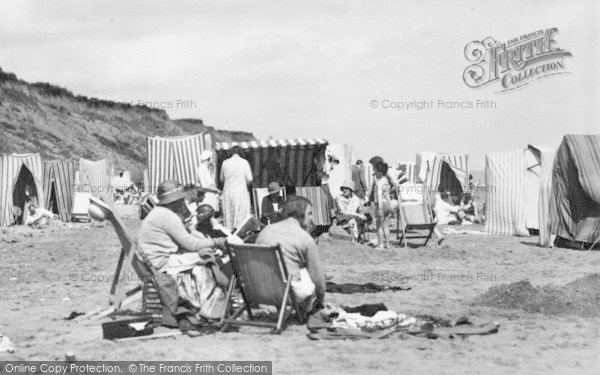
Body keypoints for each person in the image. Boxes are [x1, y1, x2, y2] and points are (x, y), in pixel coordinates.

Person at [137, 180, 243, 322]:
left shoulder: (159, 213)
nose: (183, 201)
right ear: (175, 200)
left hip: (154, 262)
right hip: (163, 264)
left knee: (205, 254)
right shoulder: (167, 216)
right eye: (180, 199)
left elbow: (187, 236)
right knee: (208, 258)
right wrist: (217, 242)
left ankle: (218, 300)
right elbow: (191, 244)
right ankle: (215, 305)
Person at [255, 196, 326, 316]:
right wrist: (320, 301)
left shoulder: (265, 231)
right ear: (300, 215)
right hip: (288, 295)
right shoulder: (305, 239)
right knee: (306, 273)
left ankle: (272, 305)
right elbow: (318, 281)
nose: (311, 218)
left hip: (260, 291)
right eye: (309, 214)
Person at [220, 146, 253, 231]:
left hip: (228, 192)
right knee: (241, 216)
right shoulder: (244, 162)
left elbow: (221, 179)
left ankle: (229, 235)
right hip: (241, 191)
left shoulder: (225, 163)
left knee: (229, 216)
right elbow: (250, 179)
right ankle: (241, 234)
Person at [368, 162, 398, 249]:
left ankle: (381, 245)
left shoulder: (379, 182)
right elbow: (387, 195)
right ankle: (387, 244)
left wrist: (380, 208)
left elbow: (379, 194)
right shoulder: (386, 180)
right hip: (387, 205)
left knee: (379, 227)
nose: (374, 173)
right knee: (386, 227)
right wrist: (390, 207)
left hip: (381, 205)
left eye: (375, 171)